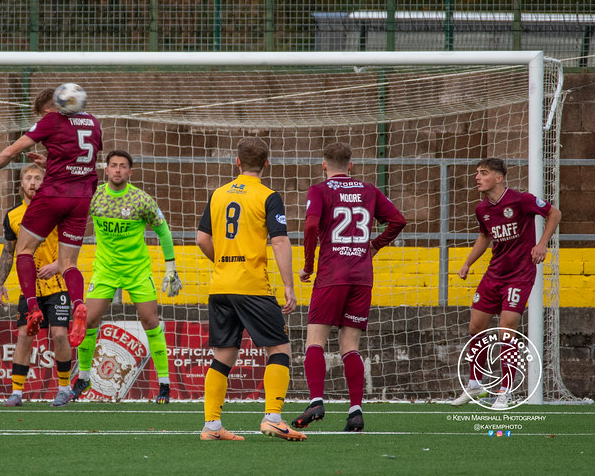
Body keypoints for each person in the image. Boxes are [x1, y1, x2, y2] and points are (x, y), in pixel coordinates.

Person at [195, 137, 305, 442]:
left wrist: (224, 262)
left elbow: (202, 239)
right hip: (252, 286)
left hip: (220, 286)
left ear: (237, 162)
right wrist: (288, 287)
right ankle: (273, 417)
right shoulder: (268, 196)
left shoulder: (218, 194)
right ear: (267, 164)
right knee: (279, 348)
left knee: (224, 355)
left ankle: (212, 426)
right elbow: (280, 240)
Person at [291, 143, 406, 432]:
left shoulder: (320, 190)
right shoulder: (369, 190)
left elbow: (310, 227)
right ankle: (355, 411)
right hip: (361, 276)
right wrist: (375, 246)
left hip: (332, 274)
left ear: (323, 165)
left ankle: (316, 400)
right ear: (351, 165)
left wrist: (308, 265)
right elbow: (398, 220)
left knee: (315, 341)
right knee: (350, 346)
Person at [0, 86, 102, 348]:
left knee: (23, 250)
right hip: (81, 198)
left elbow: (12, 150)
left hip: (54, 195)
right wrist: (50, 162)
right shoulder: (92, 121)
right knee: (69, 263)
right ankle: (79, 304)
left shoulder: (51, 120)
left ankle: (33, 308)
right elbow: (81, 159)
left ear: (50, 108)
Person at [71, 150, 183, 405]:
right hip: (105, 270)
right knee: (89, 320)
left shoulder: (140, 199)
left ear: (130, 172)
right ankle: (85, 377)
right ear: (106, 170)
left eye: (123, 166)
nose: (118, 170)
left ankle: (164, 384)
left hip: (137, 271)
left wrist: (170, 267)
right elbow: (71, 219)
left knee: (150, 321)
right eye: (113, 165)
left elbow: (163, 231)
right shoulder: (95, 196)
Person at [451, 157, 561, 409]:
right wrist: (468, 262)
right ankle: (475, 384)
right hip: (494, 274)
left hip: (519, 274)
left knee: (506, 329)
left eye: (484, 173)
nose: (477, 177)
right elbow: (485, 236)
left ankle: (505, 390)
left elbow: (554, 213)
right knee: (475, 327)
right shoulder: (482, 209)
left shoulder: (521, 200)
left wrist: (542, 243)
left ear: (498, 178)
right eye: (477, 172)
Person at [0, 163, 73, 407]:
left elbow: (72, 245)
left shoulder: (57, 211)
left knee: (59, 334)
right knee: (24, 335)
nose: (32, 182)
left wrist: (58, 265)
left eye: (37, 178)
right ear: (21, 184)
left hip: (57, 284)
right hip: (29, 290)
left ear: (44, 182)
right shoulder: (12, 216)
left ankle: (64, 388)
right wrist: (0, 283)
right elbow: (8, 252)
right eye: (28, 178)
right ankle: (16, 392)